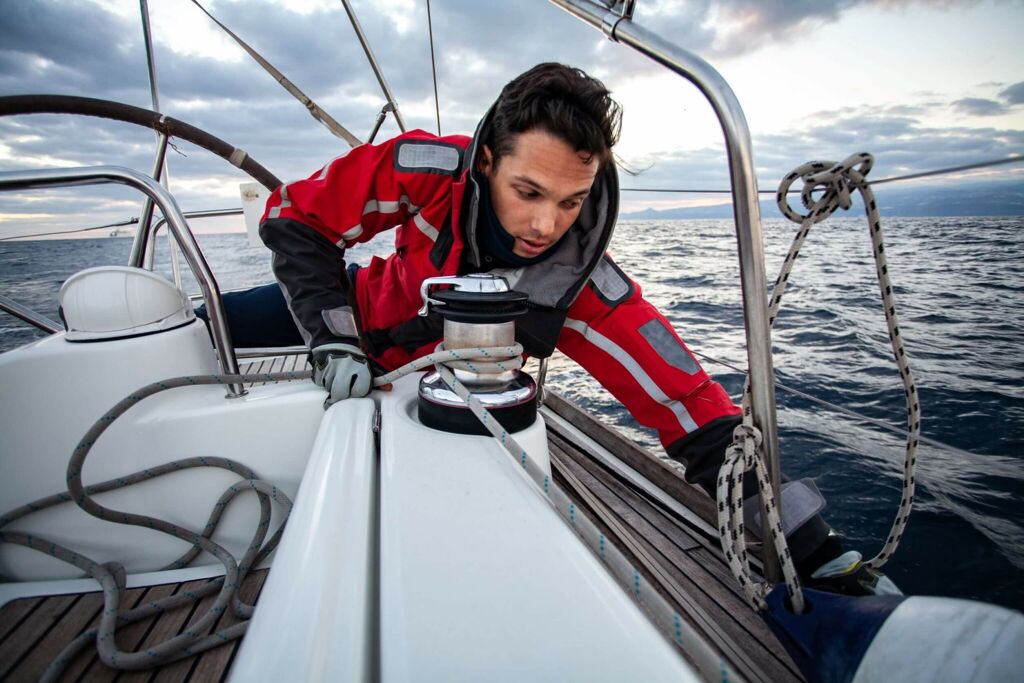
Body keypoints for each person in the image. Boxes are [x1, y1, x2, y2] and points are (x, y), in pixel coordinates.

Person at [256, 62, 895, 596]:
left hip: (444, 412)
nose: (545, 225)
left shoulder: (579, 285)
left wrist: (809, 547)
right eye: (527, 191)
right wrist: (334, 335)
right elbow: (296, 217)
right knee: (198, 326)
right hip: (351, 313)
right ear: (484, 162)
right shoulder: (425, 168)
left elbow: (688, 402)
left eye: (570, 201)